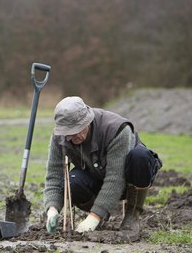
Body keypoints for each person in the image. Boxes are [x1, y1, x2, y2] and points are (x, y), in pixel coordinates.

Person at [43, 96, 162, 235]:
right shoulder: (60, 136)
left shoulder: (116, 129)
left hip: (127, 178)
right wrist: (52, 210)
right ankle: (99, 216)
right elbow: (54, 175)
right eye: (66, 133)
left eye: (75, 131)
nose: (69, 138)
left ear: (87, 122)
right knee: (72, 182)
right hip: (94, 177)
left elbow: (116, 178)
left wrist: (94, 218)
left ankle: (131, 216)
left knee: (140, 156)